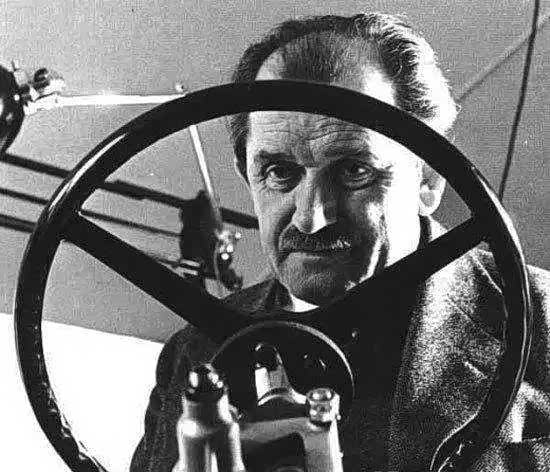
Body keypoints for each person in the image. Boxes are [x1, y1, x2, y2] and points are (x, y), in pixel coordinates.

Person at [131, 13, 550, 471]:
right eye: (280, 172)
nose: (311, 219)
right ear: (247, 177)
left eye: (354, 171)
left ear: (429, 178)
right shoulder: (190, 356)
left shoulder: (543, 325)